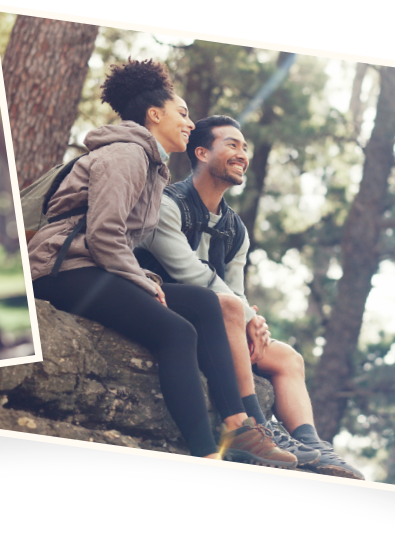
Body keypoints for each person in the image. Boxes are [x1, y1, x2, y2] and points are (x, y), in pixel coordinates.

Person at [29, 60, 295, 467]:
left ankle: (238, 426)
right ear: (155, 115)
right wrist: (142, 279)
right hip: (62, 269)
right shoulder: (127, 155)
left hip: (91, 268)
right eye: (182, 114)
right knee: (176, 333)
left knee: (207, 304)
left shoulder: (150, 164)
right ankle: (206, 454)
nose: (189, 124)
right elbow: (103, 235)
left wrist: (144, 279)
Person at [135, 115, 365, 480]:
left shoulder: (234, 227)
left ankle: (313, 446)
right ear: (201, 152)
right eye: (231, 144)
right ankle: (257, 428)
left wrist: (249, 321)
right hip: (164, 303)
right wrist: (247, 317)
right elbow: (189, 273)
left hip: (218, 318)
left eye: (245, 147)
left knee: (288, 357)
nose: (242, 154)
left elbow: (235, 288)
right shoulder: (168, 203)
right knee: (226, 306)